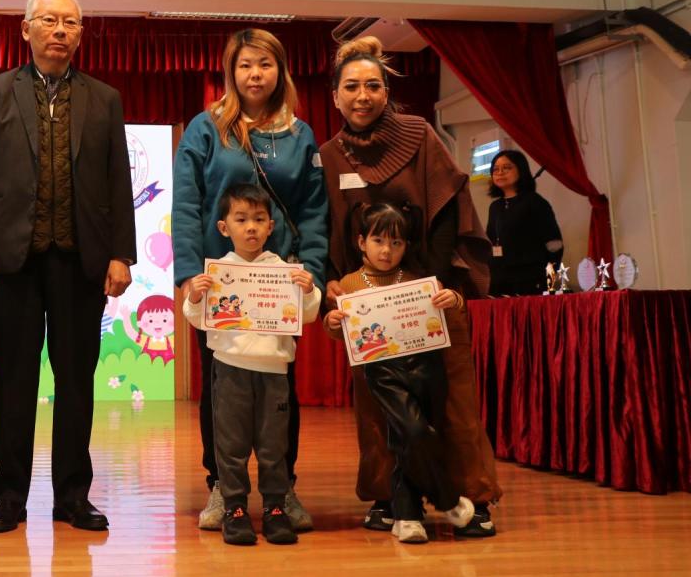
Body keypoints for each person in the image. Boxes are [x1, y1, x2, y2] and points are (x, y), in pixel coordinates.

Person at [0, 0, 137, 533]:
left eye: (71, 23)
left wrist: (121, 255)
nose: (60, 30)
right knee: (12, 381)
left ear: (81, 34)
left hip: (81, 261)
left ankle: (73, 496)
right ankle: (10, 496)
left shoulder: (104, 98)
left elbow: (118, 180)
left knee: (77, 381)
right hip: (11, 262)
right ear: (26, 29)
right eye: (49, 20)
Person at [318, 35, 500, 537]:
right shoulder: (330, 155)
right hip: (369, 300)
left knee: (454, 404)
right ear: (334, 96)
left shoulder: (419, 134)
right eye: (351, 86)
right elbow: (329, 228)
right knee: (378, 408)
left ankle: (473, 495)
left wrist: (428, 285)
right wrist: (334, 283)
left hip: (430, 295)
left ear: (387, 91)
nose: (362, 96)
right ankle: (390, 497)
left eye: (373, 86)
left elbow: (448, 209)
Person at [171, 28, 328, 533]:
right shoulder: (206, 128)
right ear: (230, 72)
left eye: (264, 64)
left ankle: (283, 488)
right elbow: (187, 204)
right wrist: (189, 274)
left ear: (280, 71)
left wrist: (312, 271)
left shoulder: (299, 135)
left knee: (280, 389)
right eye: (244, 65)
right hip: (222, 286)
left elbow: (314, 210)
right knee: (221, 390)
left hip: (279, 285)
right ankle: (222, 485)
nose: (254, 74)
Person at [325, 202, 476, 544]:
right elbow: (338, 332)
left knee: (408, 438)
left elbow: (450, 313)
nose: (386, 251)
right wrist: (332, 321)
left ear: (406, 246)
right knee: (414, 430)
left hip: (426, 365)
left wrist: (453, 299)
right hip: (382, 371)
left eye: (396, 243)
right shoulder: (349, 284)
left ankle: (407, 515)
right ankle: (447, 499)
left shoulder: (417, 280)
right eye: (378, 241)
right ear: (361, 242)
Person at [182, 183, 319, 546]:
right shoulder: (217, 273)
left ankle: (275, 508)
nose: (251, 227)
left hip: (274, 372)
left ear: (271, 227)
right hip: (229, 370)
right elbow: (195, 317)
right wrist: (195, 296)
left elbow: (307, 315)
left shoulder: (284, 270)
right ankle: (235, 509)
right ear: (223, 227)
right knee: (231, 446)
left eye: (259, 219)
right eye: (241, 219)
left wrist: (308, 290)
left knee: (274, 447)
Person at [485, 150, 563, 296]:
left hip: (531, 282)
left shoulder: (535, 202)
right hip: (499, 281)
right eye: (495, 169)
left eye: (506, 168)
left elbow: (555, 245)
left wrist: (548, 279)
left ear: (521, 170)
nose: (500, 173)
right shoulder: (495, 207)